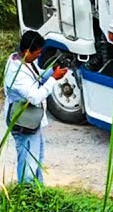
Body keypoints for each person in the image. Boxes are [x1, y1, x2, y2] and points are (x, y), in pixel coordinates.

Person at [5, 30, 68, 184]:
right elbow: (35, 97)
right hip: (23, 122)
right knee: (28, 163)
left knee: (36, 158)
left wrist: (51, 72)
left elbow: (37, 75)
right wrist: (53, 79)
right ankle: (27, 195)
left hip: (32, 121)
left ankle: (37, 192)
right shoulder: (16, 73)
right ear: (27, 51)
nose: (39, 56)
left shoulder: (24, 60)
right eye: (38, 53)